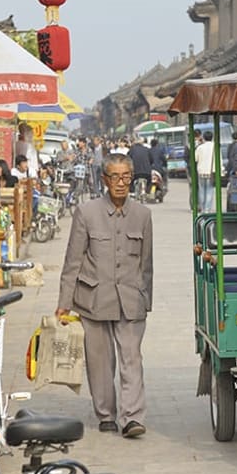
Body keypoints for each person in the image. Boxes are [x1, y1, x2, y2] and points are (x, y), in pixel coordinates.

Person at [57, 153, 153, 439]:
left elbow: (146, 264)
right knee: (99, 361)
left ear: (132, 179)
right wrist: (64, 303)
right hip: (94, 298)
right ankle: (106, 413)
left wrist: (145, 299)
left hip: (131, 299)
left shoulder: (143, 215)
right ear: (104, 180)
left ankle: (133, 417)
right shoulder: (86, 213)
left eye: (126, 177)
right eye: (115, 177)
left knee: (131, 357)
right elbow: (73, 261)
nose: (121, 183)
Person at [194, 131, 216, 213]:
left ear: (204, 138)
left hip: (201, 172)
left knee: (201, 190)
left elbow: (195, 158)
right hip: (211, 172)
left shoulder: (200, 147)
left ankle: (202, 208)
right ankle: (207, 209)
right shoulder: (215, 147)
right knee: (209, 190)